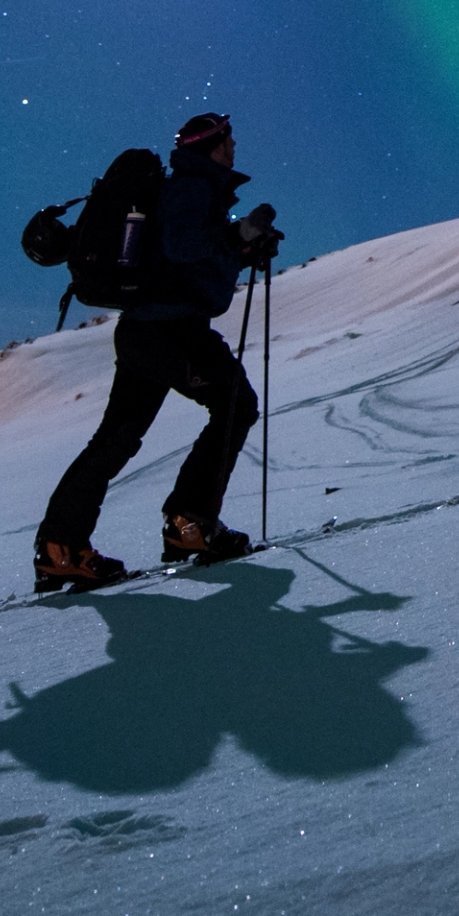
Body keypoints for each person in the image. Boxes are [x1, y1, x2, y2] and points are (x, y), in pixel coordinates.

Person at [33, 111, 280, 592]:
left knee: (117, 438)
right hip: (172, 330)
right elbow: (184, 246)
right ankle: (190, 523)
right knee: (235, 404)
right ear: (212, 146)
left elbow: (182, 257)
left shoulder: (190, 188)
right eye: (228, 140)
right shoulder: (193, 187)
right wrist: (239, 236)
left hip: (146, 330)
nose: (234, 147)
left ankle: (62, 547)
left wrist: (242, 249)